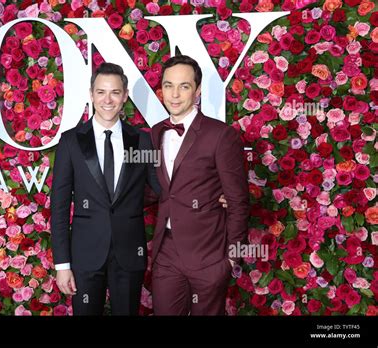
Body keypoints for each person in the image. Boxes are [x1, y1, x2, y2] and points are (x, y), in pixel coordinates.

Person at [50, 62, 160, 315]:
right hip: (85, 256)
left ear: (124, 96)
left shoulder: (141, 140)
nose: (107, 100)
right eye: (101, 92)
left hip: (129, 254)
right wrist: (62, 264)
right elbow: (59, 206)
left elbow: (163, 188)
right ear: (91, 95)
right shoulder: (71, 141)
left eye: (114, 92)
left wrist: (209, 196)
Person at [150, 55, 250, 315]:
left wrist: (230, 259)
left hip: (209, 253)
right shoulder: (155, 133)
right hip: (167, 253)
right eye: (168, 85)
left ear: (198, 90)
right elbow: (155, 190)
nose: (174, 94)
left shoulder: (220, 135)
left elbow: (239, 201)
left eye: (184, 86)